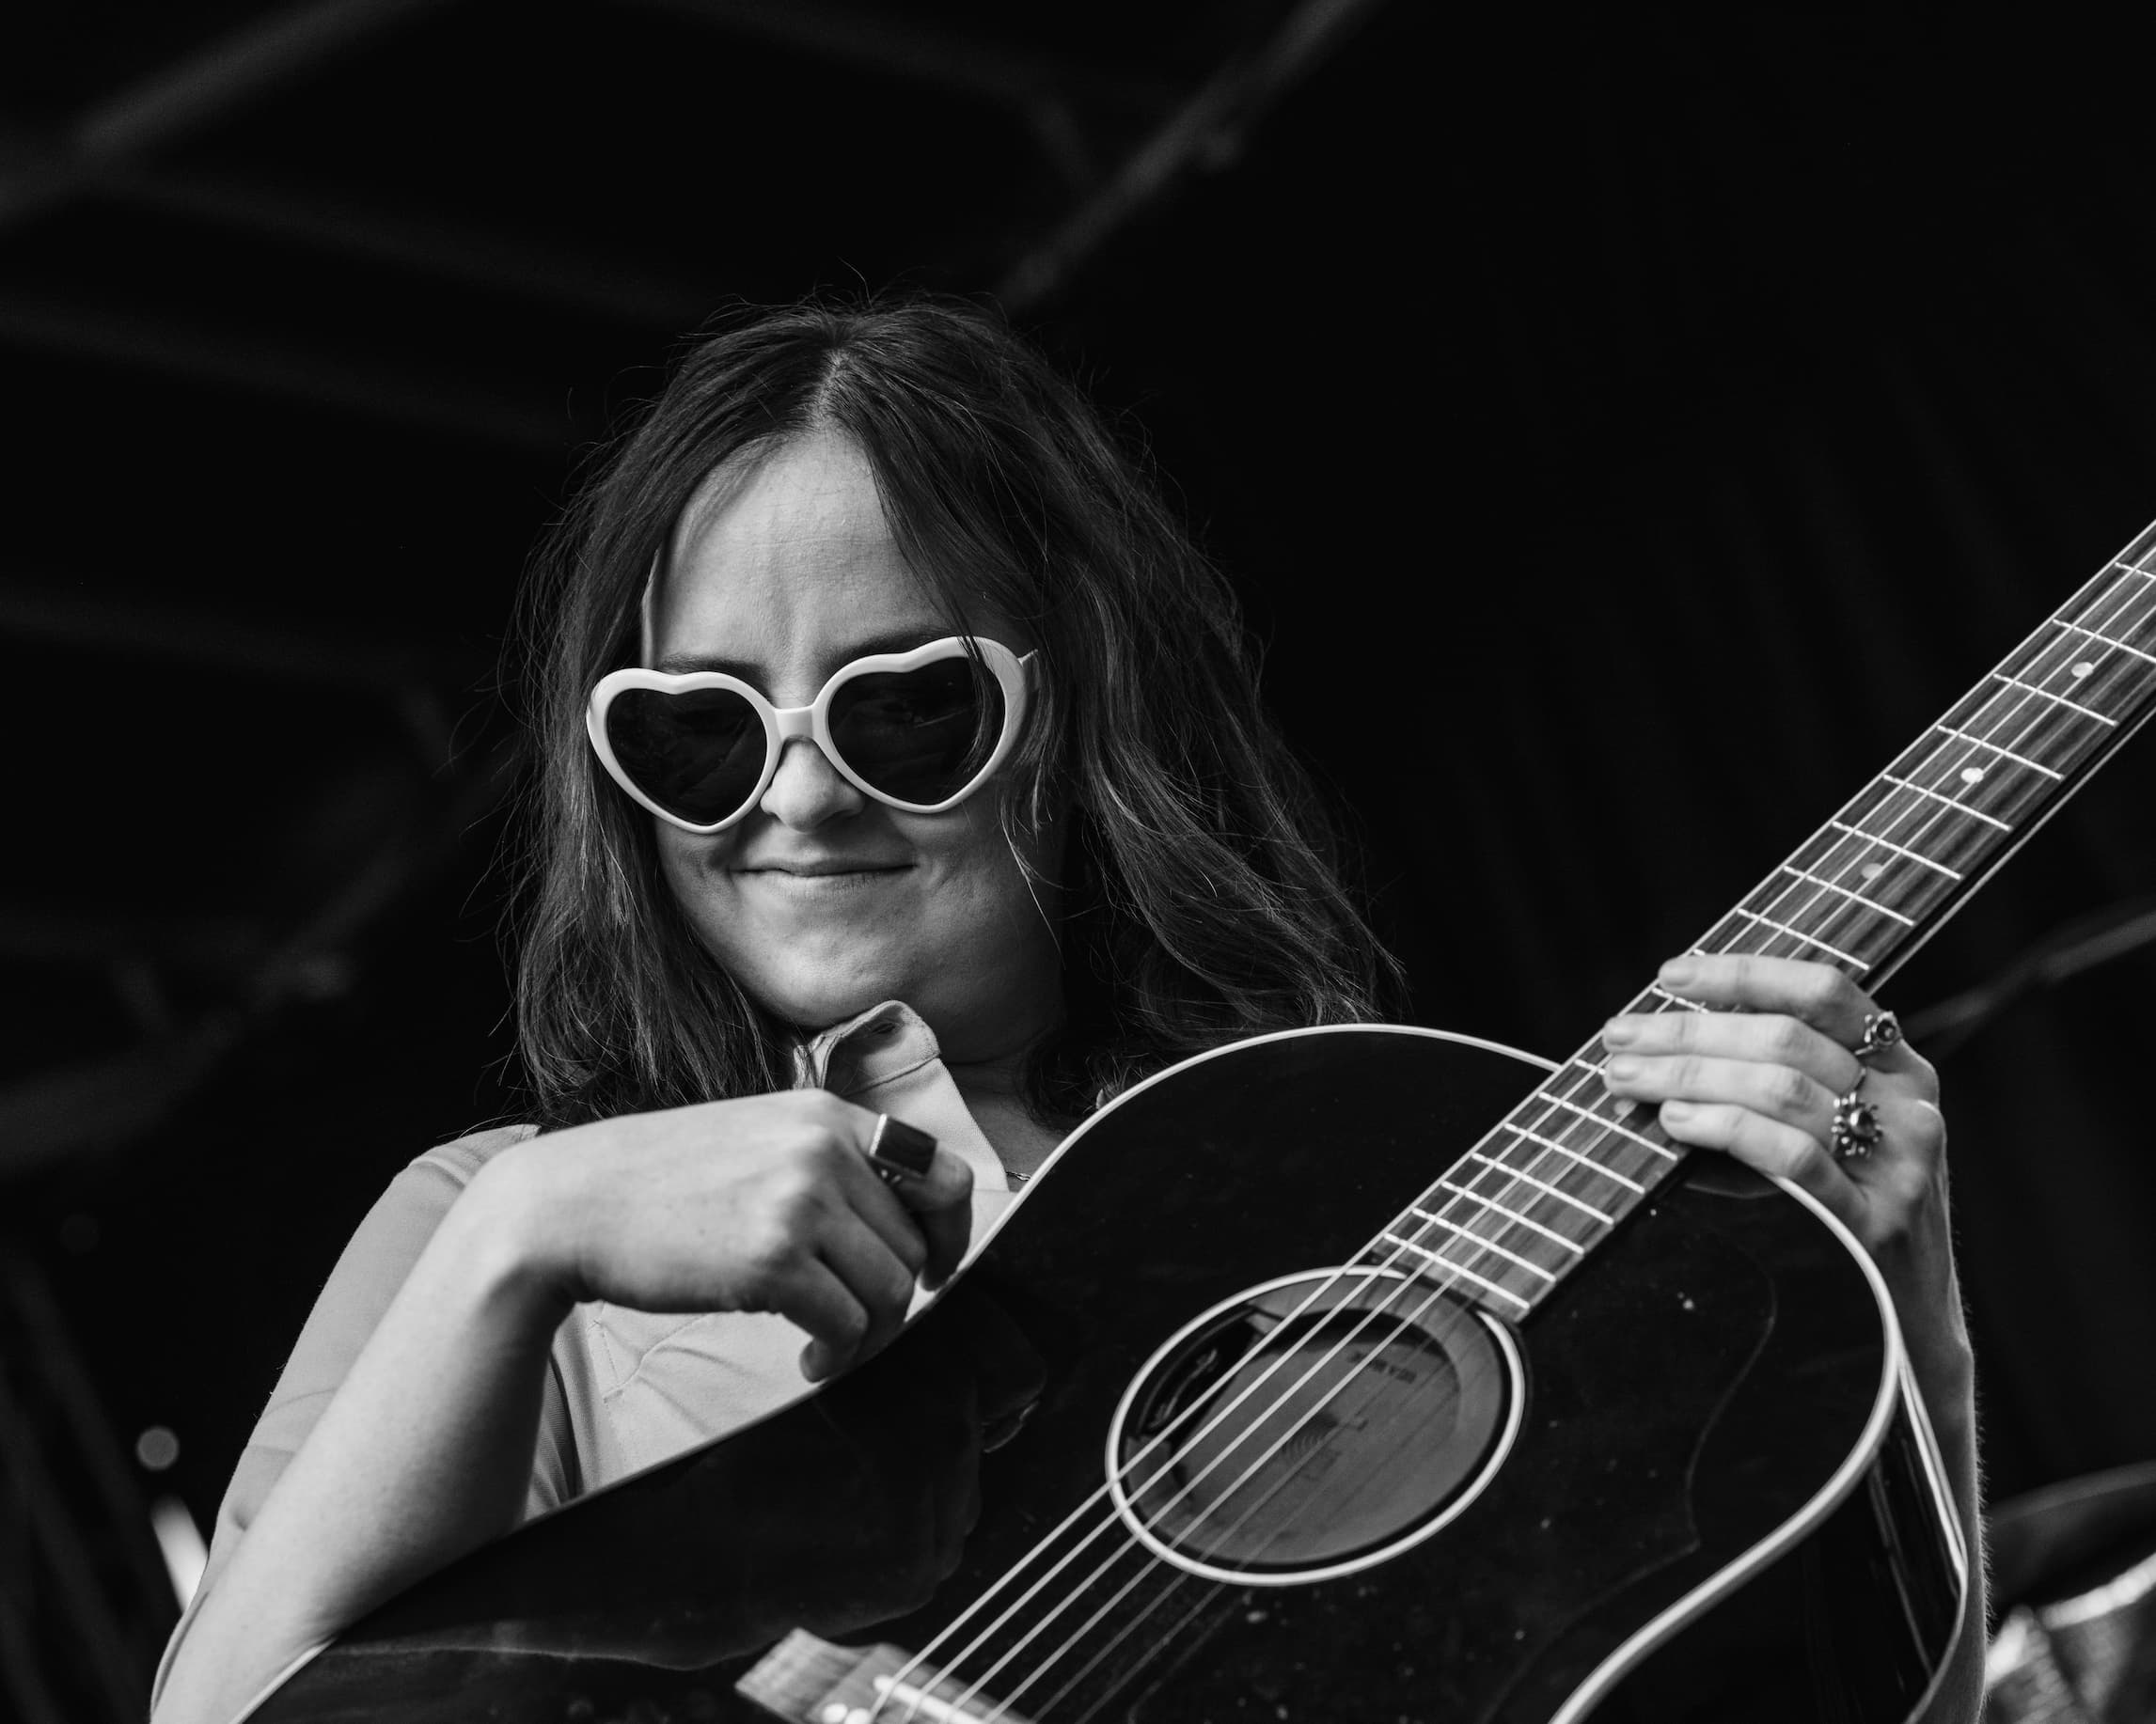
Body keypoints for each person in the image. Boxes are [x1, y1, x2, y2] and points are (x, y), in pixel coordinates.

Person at [150, 298, 1984, 1723]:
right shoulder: (495, 1224)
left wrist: (1900, 1306)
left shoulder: (1368, 1199)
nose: (790, 798)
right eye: (696, 731)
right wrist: (520, 1235)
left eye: (903, 707)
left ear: (1090, 715)